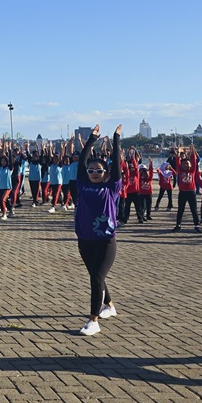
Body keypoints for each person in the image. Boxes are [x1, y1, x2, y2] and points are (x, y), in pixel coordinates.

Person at [75, 124, 122, 336]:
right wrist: (91, 139)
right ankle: (109, 306)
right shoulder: (83, 184)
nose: (94, 173)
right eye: (91, 170)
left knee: (96, 276)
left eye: (99, 171)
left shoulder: (112, 187)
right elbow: (82, 161)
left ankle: (93, 320)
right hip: (85, 239)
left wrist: (116, 138)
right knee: (97, 276)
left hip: (105, 241)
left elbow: (118, 165)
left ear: (106, 173)